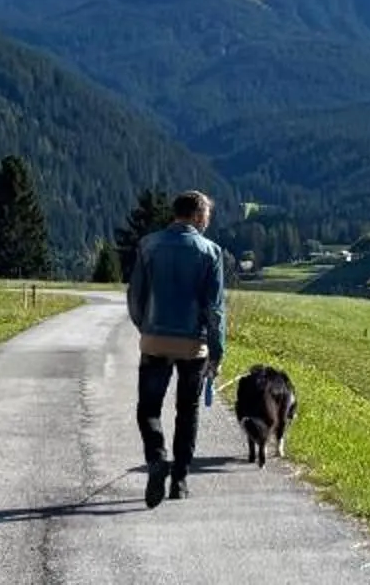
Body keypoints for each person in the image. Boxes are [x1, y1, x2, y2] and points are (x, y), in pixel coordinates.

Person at [125, 189, 228, 508]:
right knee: (188, 411)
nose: (208, 221)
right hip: (192, 344)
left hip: (155, 338)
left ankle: (157, 458)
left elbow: (135, 296)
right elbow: (215, 309)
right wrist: (216, 350)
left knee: (148, 409)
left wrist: (146, 327)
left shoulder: (148, 245)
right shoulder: (210, 252)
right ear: (197, 216)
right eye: (207, 216)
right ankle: (180, 480)